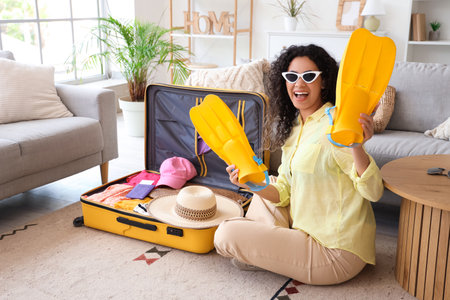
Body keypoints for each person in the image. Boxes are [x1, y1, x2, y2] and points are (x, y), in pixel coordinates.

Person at [213, 44, 384, 285]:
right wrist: (250, 183)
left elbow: (374, 192)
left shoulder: (336, 123)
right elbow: (283, 193)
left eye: (309, 77)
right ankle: (262, 247)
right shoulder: (295, 131)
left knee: (225, 233)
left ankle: (258, 248)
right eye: (292, 77)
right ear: (284, 82)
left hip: (334, 252)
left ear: (323, 82)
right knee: (266, 183)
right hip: (303, 231)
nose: (299, 84)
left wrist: (357, 145)